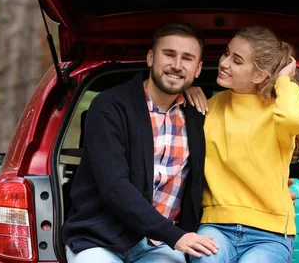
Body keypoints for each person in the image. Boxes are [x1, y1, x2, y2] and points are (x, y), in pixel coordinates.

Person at [62, 23, 219, 263]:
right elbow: (115, 186)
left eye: (187, 59)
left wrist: (270, 187)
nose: (177, 65)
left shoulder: (199, 114)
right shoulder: (110, 106)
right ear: (150, 58)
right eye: (169, 54)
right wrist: (175, 236)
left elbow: (232, 156)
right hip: (102, 239)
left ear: (197, 69)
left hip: (160, 247)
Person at [184, 26, 299, 263]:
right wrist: (186, 90)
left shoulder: (278, 112)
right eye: (226, 53)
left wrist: (283, 81)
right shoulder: (209, 106)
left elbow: (294, 119)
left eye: (237, 60)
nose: (223, 62)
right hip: (217, 226)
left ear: (259, 75)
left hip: (270, 234)